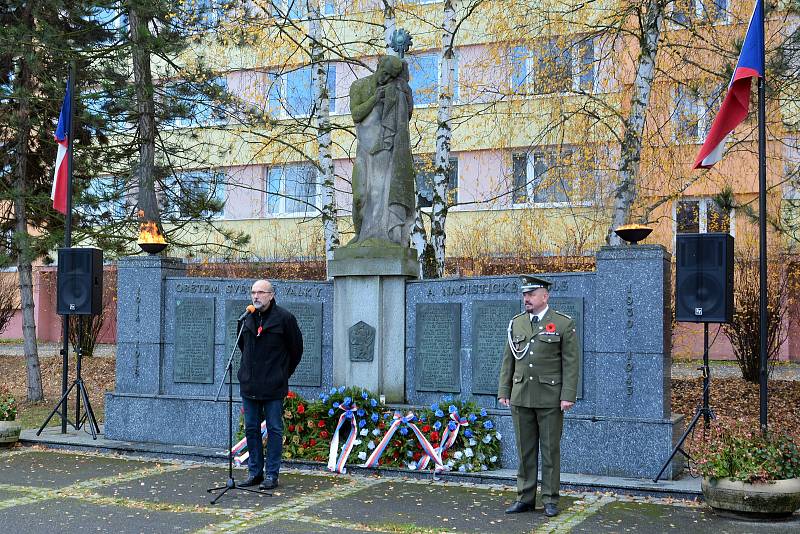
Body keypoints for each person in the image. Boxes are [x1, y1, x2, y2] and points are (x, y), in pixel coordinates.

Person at [497, 275, 579, 517]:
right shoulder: (517, 323)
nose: (526, 299)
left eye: (531, 294)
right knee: (525, 450)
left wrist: (568, 395)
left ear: (545, 296)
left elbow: (571, 363)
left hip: (550, 397)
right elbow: (508, 359)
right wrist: (504, 390)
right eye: (524, 295)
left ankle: (551, 499)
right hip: (521, 395)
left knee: (550, 450)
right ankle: (525, 497)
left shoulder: (563, 324)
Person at [237, 279, 303, 490]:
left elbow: (296, 350)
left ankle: (271, 475)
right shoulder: (246, 318)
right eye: (253, 292)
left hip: (273, 386)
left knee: (274, 430)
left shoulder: (285, 319)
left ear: (271, 295)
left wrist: (282, 373)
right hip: (250, 385)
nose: (256, 296)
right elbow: (242, 346)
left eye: (261, 292)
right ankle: (254, 472)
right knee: (251, 429)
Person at [348, 54, 415, 246]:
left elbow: (406, 115)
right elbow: (356, 114)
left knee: (379, 196)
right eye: (384, 73)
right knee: (359, 196)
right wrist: (375, 99)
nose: (385, 79)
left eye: (390, 76)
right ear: (378, 67)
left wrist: (403, 88)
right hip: (364, 150)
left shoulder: (392, 90)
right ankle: (360, 234)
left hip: (384, 149)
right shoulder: (359, 86)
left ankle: (377, 236)